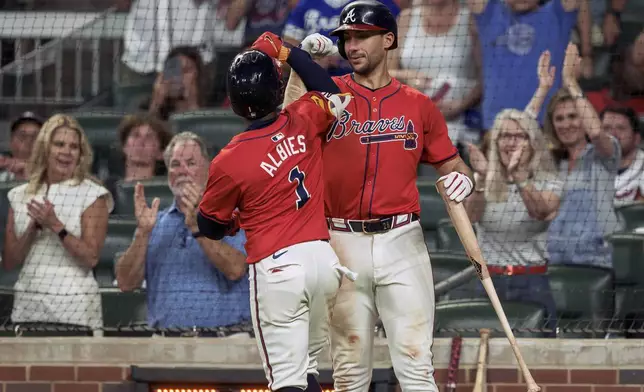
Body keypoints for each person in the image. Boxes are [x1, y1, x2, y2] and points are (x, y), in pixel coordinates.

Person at [282, 1, 474, 390]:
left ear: (388, 40)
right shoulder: (328, 94)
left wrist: (464, 181)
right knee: (350, 369)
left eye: (362, 37)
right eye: (346, 38)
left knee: (417, 364)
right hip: (341, 241)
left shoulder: (419, 105)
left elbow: (453, 165)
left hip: (402, 240)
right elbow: (285, 130)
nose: (351, 46)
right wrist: (300, 68)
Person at [197, 33, 353, 392]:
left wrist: (235, 219)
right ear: (276, 88)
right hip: (323, 263)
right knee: (308, 372)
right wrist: (287, 51)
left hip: (278, 268)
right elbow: (335, 94)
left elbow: (209, 225)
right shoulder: (304, 117)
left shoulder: (230, 159)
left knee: (286, 381)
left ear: (234, 102)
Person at [115, 132, 250, 333]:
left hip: (224, 339)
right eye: (175, 164)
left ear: (209, 170)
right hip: (166, 341)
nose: (182, 171)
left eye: (191, 163)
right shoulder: (154, 222)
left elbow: (236, 269)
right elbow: (125, 283)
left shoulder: (233, 216)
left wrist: (198, 228)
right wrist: (143, 233)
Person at [2, 114, 113, 336]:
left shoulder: (93, 194)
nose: (66, 152)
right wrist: (33, 229)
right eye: (59, 144)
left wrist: (56, 226)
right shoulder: (20, 195)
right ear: (45, 148)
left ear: (81, 154)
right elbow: (10, 261)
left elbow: (91, 257)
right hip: (29, 301)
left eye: (74, 147)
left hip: (74, 304)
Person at [544, 43, 623, 269]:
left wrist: (570, 81)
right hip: (554, 259)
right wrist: (543, 89)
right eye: (559, 119)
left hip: (596, 260)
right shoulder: (552, 162)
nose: (566, 124)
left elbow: (597, 132)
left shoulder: (603, 154)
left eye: (573, 116)